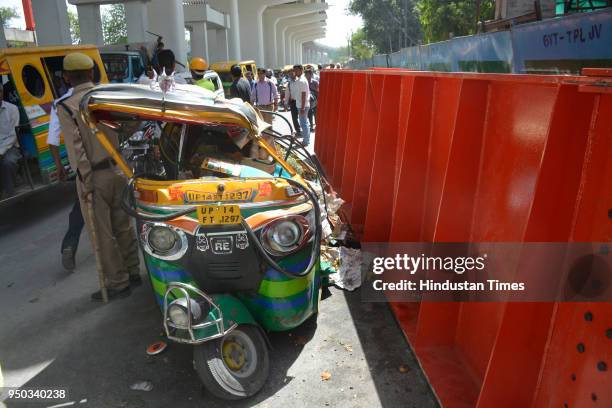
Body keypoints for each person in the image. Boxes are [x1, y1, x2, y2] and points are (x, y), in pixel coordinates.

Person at [55, 52, 141, 301]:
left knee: (103, 234)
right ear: (92, 73)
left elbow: (76, 149)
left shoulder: (68, 107)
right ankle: (133, 272)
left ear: (67, 77)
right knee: (123, 226)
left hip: (94, 175)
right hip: (118, 169)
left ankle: (118, 282)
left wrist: (86, 182)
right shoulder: (105, 97)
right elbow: (131, 124)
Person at [47, 85, 84, 271]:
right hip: (108, 160)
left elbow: (52, 140)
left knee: (80, 208)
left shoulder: (59, 105)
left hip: (82, 167)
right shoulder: (98, 93)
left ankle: (69, 245)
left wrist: (59, 166)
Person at [0, 86, 21, 198]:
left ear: (2, 93)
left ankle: (10, 194)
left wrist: (1, 151)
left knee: (8, 163)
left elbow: (13, 135)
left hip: (11, 146)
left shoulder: (12, 109)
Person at [288, 64, 310, 146]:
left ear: (301, 70)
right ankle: (306, 140)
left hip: (302, 105)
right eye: (294, 70)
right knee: (304, 123)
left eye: (296, 70)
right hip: (300, 105)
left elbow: (304, 94)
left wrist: (303, 107)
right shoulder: (300, 79)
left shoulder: (302, 80)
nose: (295, 72)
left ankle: (306, 141)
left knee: (303, 123)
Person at [285, 69, 301, 136]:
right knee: (294, 117)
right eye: (289, 74)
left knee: (302, 117)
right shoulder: (289, 84)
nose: (291, 75)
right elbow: (287, 94)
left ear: (295, 73)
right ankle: (298, 130)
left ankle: (304, 130)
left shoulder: (300, 81)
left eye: (292, 73)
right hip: (293, 102)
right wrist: (286, 103)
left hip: (300, 101)